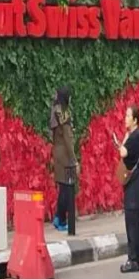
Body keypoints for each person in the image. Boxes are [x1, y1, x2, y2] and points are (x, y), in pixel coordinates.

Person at [115, 105, 139, 273]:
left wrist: (121, 140)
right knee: (135, 220)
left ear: (135, 120)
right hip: (137, 182)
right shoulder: (137, 135)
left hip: (134, 183)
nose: (125, 118)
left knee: (131, 220)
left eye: (128, 115)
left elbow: (123, 153)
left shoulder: (135, 136)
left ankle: (133, 258)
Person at [50, 87, 78, 232]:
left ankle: (59, 217)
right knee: (68, 188)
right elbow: (68, 139)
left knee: (63, 187)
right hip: (66, 156)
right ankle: (60, 219)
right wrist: (74, 159)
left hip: (58, 153)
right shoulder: (64, 114)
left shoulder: (55, 111)